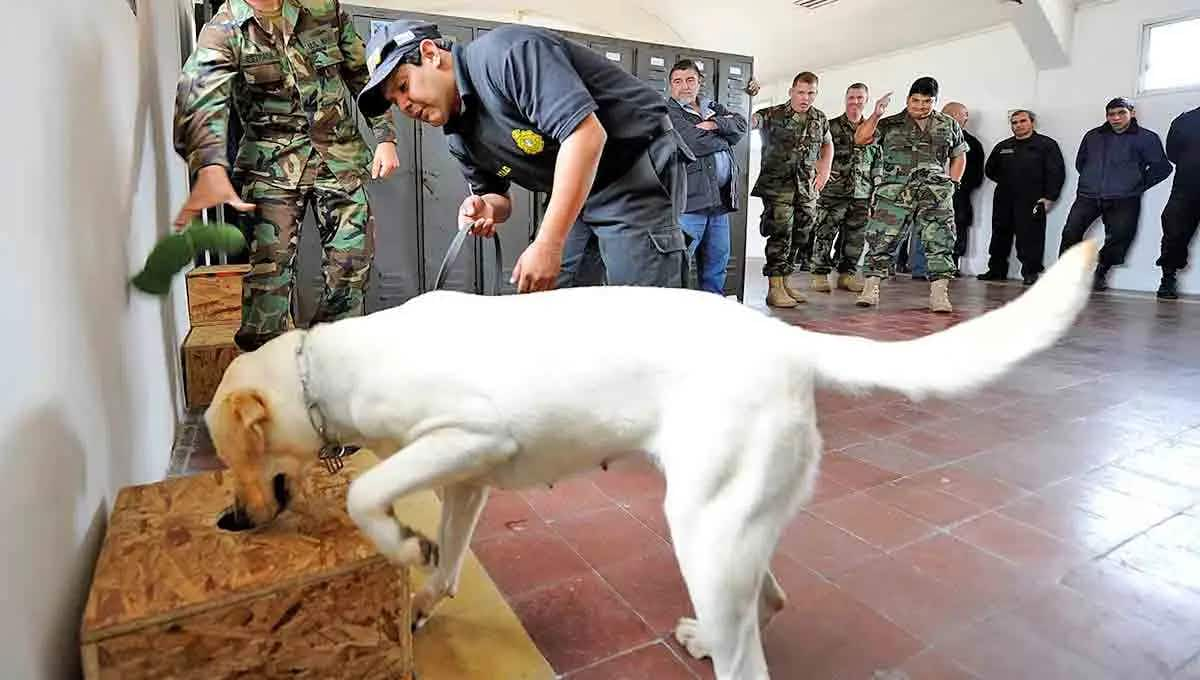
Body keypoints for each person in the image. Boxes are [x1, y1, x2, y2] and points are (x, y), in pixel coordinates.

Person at [356, 20, 691, 293]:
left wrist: (548, 243)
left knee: (639, 307)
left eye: (403, 86)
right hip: (576, 185)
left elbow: (586, 135)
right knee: (547, 297)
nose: (405, 105)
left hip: (629, 165)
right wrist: (485, 206)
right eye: (395, 103)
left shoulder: (507, 55)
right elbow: (498, 199)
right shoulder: (460, 136)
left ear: (429, 54)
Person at [173, 0, 400, 352]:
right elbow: (198, 96)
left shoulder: (323, 7)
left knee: (352, 264)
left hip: (338, 158)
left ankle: (326, 356)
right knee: (270, 276)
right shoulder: (225, 30)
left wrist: (385, 137)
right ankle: (265, 368)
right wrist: (209, 165)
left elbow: (362, 75)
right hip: (272, 167)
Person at [853, 76, 967, 312]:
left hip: (934, 194)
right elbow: (860, 139)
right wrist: (876, 114)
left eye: (927, 101)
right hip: (894, 193)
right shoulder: (890, 123)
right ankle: (870, 289)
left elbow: (959, 155)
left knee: (940, 242)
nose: (920, 106)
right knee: (880, 240)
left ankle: (939, 295)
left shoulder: (948, 124)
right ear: (908, 99)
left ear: (934, 101)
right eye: (915, 100)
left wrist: (953, 184)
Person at [1058, 97, 1172, 291]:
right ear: (1107, 116)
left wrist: (1135, 185)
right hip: (1088, 195)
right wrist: (1090, 178)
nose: (1116, 118)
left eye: (1121, 113)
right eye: (1112, 114)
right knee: (1071, 232)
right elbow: (1081, 162)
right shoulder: (1093, 136)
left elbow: (1162, 168)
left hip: (1124, 199)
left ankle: (1100, 272)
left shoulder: (1147, 138)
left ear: (1132, 113)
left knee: (1119, 237)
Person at [751, 72, 833, 307]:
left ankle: (786, 282)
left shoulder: (819, 118)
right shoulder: (772, 114)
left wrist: (825, 168)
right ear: (791, 92)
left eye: (810, 93)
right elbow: (749, 121)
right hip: (778, 188)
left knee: (802, 233)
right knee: (780, 234)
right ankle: (774, 288)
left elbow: (828, 143)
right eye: (800, 92)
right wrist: (748, 96)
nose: (805, 98)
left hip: (806, 188)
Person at [667, 59, 747, 294]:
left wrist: (712, 124)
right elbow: (692, 142)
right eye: (677, 81)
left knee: (716, 266)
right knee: (678, 266)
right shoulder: (668, 111)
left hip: (719, 203)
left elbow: (741, 125)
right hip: (689, 204)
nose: (684, 86)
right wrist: (726, 136)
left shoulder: (712, 108)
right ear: (671, 85)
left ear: (699, 82)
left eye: (690, 80)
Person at [980, 109, 1066, 285]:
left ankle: (1030, 272)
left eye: (1022, 121)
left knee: (1030, 236)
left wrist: (1050, 197)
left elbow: (1056, 173)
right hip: (1004, 197)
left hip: (1032, 199)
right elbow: (990, 170)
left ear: (1032, 123)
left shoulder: (1046, 145)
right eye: (1014, 122)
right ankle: (996, 270)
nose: (1018, 125)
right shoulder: (1003, 146)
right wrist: (1006, 182)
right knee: (999, 233)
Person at [808, 83, 876, 294]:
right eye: (852, 97)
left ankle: (847, 276)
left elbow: (878, 161)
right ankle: (819, 274)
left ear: (866, 101)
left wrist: (876, 188)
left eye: (860, 98)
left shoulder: (873, 129)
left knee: (855, 238)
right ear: (846, 99)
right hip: (833, 192)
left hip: (862, 193)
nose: (855, 101)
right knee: (825, 233)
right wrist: (821, 173)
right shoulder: (830, 126)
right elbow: (812, 153)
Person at [1156, 105, 1200, 299]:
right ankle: (1168, 279)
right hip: (1187, 187)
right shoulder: (1185, 120)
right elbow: (1172, 153)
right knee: (1174, 232)